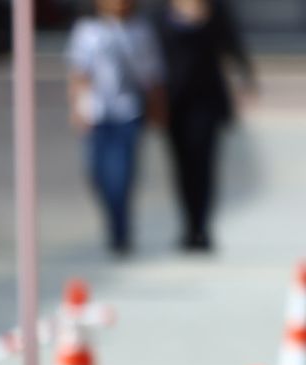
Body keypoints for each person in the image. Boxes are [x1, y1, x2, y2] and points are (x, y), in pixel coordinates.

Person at [154, 0, 257, 251]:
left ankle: (202, 227)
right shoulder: (160, 13)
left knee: (205, 166)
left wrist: (246, 77)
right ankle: (189, 225)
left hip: (207, 102)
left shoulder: (216, 10)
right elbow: (149, 56)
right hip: (175, 103)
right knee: (182, 167)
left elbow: (232, 45)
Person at [67, 0, 167, 254]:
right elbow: (78, 72)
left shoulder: (140, 31)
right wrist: (78, 107)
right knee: (98, 174)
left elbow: (151, 74)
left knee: (121, 175)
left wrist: (157, 108)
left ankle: (121, 232)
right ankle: (113, 221)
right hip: (97, 112)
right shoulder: (87, 30)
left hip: (128, 111)